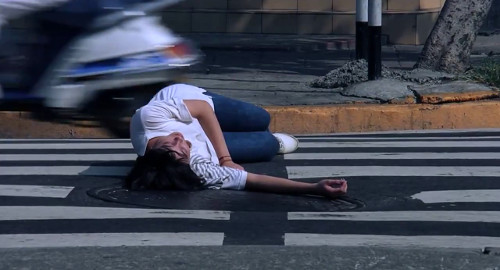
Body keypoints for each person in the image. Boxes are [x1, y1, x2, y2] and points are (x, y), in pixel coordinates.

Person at [125, 83, 347, 199]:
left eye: (169, 145)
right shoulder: (196, 171)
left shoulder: (147, 118)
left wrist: (225, 158)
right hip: (209, 143)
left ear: (150, 152)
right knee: (268, 145)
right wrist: (314, 188)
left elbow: (202, 110)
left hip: (199, 105)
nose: (181, 141)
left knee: (261, 117)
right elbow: (255, 180)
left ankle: (247, 131)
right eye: (184, 152)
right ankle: (269, 140)